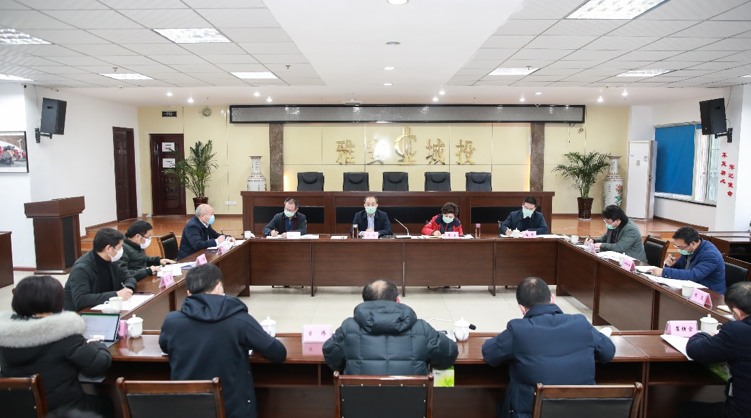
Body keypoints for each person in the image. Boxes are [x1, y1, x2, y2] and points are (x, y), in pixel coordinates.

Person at [160, 264, 287, 418]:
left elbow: (165, 347)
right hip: (232, 411)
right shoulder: (240, 320)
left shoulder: (172, 322)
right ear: (219, 288)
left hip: (186, 410)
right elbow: (278, 353)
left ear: (188, 293)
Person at [482, 277, 616, 418]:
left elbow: (490, 353)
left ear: (521, 308)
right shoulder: (581, 323)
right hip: (582, 413)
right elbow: (608, 352)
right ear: (552, 298)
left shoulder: (518, 330)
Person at [0, 276, 113, 417]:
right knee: (107, 403)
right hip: (65, 410)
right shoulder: (63, 333)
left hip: (19, 410)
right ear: (57, 300)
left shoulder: (6, 335)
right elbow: (98, 365)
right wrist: (97, 344)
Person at [323, 279, 458, 375]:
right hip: (411, 405)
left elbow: (332, 359)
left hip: (358, 405)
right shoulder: (422, 329)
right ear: (398, 301)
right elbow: (449, 355)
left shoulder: (348, 328)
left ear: (365, 303)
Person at [678, 282, 751, 418]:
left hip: (741, 413)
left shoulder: (737, 331)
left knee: (685, 409)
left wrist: (705, 334)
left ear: (736, 313)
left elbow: (695, 350)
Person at [64, 228, 137, 311]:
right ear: (108, 248)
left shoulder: (110, 260)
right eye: (119, 247)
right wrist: (116, 295)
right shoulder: (81, 268)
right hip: (81, 313)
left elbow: (128, 277)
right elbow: (81, 300)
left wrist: (127, 289)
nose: (122, 251)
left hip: (105, 307)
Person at [649, 226, 726, 294]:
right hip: (692, 289)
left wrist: (664, 272)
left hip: (711, 295)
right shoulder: (689, 249)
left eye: (681, 247)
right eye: (676, 246)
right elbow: (681, 269)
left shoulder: (711, 255)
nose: (679, 250)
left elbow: (693, 275)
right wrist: (670, 265)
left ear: (693, 244)